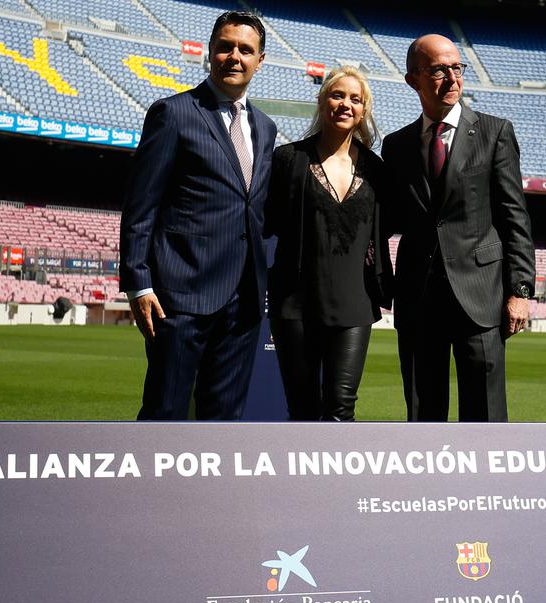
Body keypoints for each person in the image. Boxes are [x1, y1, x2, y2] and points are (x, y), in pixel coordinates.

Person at [119, 11, 277, 420]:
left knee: (224, 420)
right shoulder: (173, 113)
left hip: (244, 301)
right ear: (210, 51)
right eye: (225, 47)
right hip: (181, 296)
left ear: (260, 61)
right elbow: (141, 205)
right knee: (165, 412)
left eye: (246, 50)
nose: (234, 56)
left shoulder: (266, 127)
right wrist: (138, 283)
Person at [382, 34, 535, 422]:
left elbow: (514, 218)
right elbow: (388, 219)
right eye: (438, 70)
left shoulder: (495, 132)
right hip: (417, 298)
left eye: (457, 67)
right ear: (413, 80)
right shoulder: (395, 145)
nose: (452, 78)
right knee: (423, 417)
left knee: (485, 418)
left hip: (481, 296)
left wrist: (519, 291)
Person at [265, 67, 393, 421]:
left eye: (355, 99)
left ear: (363, 111)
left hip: (355, 306)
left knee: (341, 410)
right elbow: (267, 221)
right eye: (337, 95)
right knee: (302, 410)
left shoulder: (377, 170)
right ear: (322, 103)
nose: (345, 104)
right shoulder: (287, 159)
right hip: (295, 305)